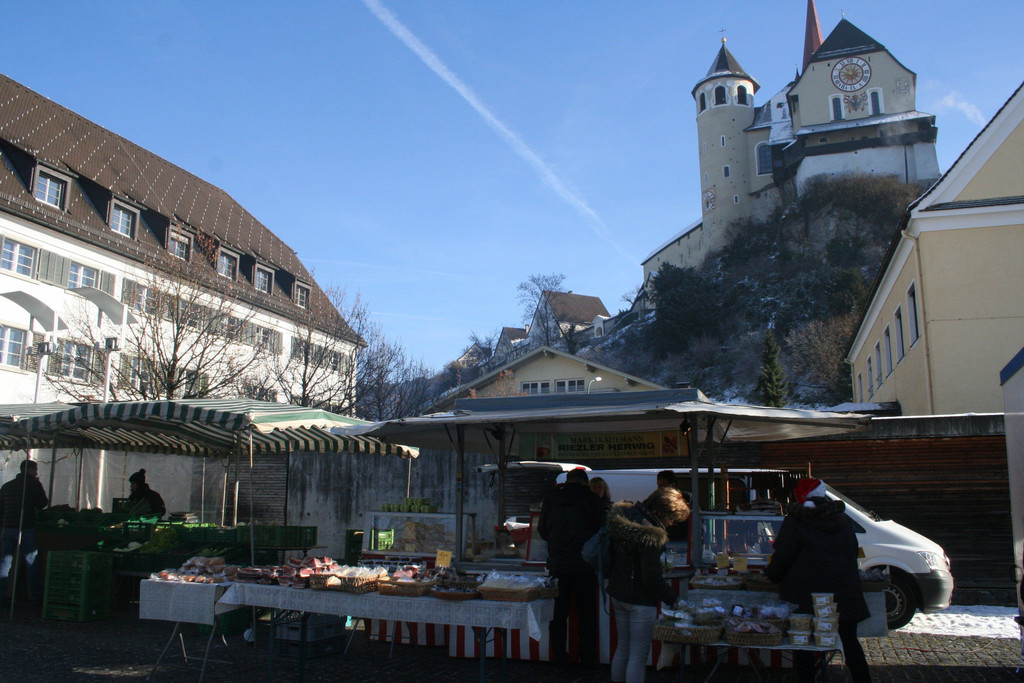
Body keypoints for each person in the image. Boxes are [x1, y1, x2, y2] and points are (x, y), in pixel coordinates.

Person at [765, 478, 871, 683]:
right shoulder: (842, 520)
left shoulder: (795, 520)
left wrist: (772, 575)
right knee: (850, 642)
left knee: (803, 643)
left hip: (805, 595)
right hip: (843, 593)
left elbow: (783, 555)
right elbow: (852, 551)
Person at [606, 486, 690, 683]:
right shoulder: (652, 533)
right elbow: (651, 578)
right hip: (640, 599)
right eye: (671, 519)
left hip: (618, 591)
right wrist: (671, 598)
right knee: (638, 653)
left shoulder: (625, 517)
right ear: (661, 512)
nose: (670, 524)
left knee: (623, 646)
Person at [538, 467, 605, 670]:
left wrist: (557, 543)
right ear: (585, 482)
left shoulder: (551, 498)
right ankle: (587, 659)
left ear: (568, 480)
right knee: (587, 616)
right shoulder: (591, 499)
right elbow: (601, 529)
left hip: (558, 564)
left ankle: (559, 657)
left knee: (558, 615)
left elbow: (542, 529)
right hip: (585, 565)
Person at [0, 460, 49, 605]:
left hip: (8, 528)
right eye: (35, 470)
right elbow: (42, 504)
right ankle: (36, 597)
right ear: (30, 470)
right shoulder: (33, 484)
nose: (36, 472)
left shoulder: (7, 486)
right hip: (26, 528)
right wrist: (38, 485)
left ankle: (1, 597)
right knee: (31, 563)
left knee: (4, 564)